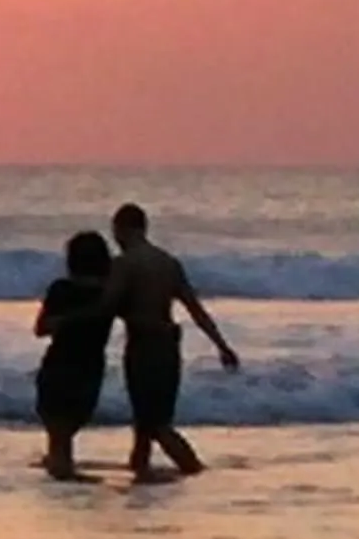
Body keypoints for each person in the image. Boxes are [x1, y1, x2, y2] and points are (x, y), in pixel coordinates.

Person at [96, 202, 240, 480]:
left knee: (155, 424)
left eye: (116, 232)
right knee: (146, 423)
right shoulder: (168, 262)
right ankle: (141, 475)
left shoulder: (125, 264)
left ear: (122, 229)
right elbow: (195, 308)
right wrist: (221, 346)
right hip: (169, 346)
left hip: (143, 346)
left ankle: (194, 470)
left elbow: (108, 306)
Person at [33, 231, 116, 481]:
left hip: (59, 364)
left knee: (58, 433)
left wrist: (68, 321)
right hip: (88, 368)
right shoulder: (110, 294)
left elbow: (41, 328)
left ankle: (63, 480)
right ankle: (65, 478)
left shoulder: (61, 289)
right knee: (65, 431)